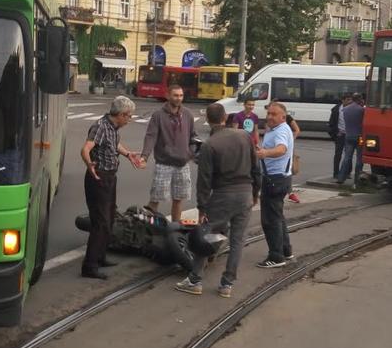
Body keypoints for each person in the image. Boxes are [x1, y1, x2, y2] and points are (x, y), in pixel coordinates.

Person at [175, 103, 261, 298]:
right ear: (225, 117)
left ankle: (195, 280)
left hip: (223, 194)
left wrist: (202, 207)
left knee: (207, 235)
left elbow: (204, 181)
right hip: (245, 193)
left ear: (208, 119)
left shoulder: (209, 146)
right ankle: (227, 284)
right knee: (237, 240)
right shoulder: (244, 137)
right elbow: (256, 168)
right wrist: (255, 192)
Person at [80, 96, 144, 279]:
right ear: (121, 115)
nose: (130, 119)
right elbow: (85, 148)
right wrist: (89, 164)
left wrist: (128, 154)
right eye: (129, 116)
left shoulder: (113, 127)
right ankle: (89, 267)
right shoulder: (100, 126)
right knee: (100, 222)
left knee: (109, 219)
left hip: (109, 177)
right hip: (98, 177)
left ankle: (100, 257)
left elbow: (114, 145)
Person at [140, 84, 198, 222]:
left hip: (182, 164)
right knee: (156, 198)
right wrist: (144, 156)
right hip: (163, 164)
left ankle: (175, 228)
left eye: (181, 95)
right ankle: (146, 227)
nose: (179, 98)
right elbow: (151, 136)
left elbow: (193, 137)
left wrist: (191, 153)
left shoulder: (188, 114)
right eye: (176, 95)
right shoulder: (158, 115)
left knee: (178, 199)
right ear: (168, 96)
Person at [255, 101, 295, 268]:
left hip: (275, 179)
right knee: (277, 216)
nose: (269, 117)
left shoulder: (281, 131)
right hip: (279, 178)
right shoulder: (279, 129)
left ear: (283, 117)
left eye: (273, 114)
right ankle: (286, 250)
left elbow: (281, 149)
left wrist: (265, 153)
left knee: (270, 219)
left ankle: (276, 256)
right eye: (268, 113)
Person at [337, 92, 365, 186]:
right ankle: (357, 180)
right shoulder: (361, 110)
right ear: (360, 99)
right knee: (359, 159)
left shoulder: (345, 109)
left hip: (348, 136)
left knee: (347, 158)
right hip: (359, 136)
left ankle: (341, 178)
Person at [328, 93, 352, 179]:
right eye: (348, 100)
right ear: (343, 100)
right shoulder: (336, 109)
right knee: (338, 154)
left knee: (348, 154)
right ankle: (336, 173)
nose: (349, 102)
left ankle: (347, 172)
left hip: (349, 135)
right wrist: (335, 134)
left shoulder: (352, 109)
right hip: (340, 135)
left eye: (350, 100)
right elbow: (331, 123)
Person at [285, 111, 302, 203]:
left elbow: (297, 129)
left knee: (288, 170)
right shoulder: (271, 120)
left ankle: (290, 193)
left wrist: (291, 140)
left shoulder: (288, 118)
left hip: (287, 148)